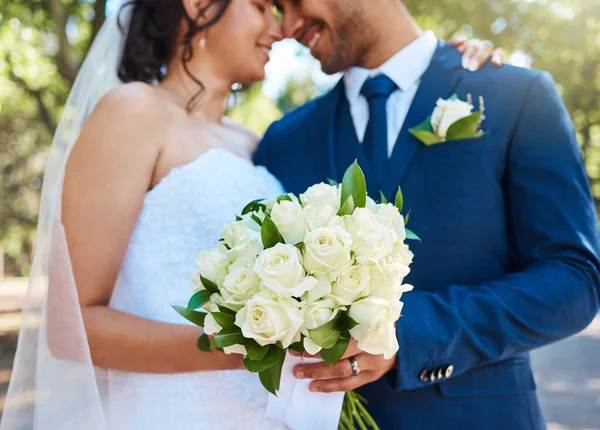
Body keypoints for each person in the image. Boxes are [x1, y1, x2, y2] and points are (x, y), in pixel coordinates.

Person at [0, 0, 503, 429]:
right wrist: (255, 343)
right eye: (261, 6)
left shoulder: (259, 145)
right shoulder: (131, 112)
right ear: (198, 5)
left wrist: (446, 61)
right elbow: (72, 329)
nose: (280, 30)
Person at [255, 1, 600, 429]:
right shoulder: (282, 140)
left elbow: (575, 279)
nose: (287, 26)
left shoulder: (516, 95)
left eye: (292, 2)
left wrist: (412, 334)